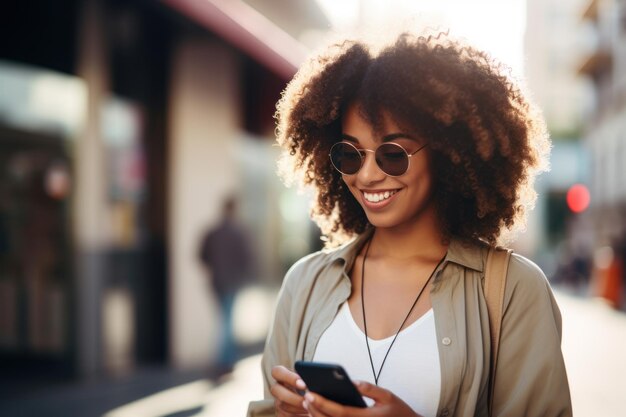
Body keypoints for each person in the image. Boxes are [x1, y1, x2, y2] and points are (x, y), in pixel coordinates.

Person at [248, 31, 572, 417]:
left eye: (392, 154)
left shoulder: (513, 290)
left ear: (448, 153)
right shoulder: (305, 283)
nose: (367, 175)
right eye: (350, 155)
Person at [199, 196, 255, 371]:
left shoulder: (213, 232)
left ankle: (226, 358)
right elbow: (246, 259)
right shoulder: (239, 233)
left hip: (217, 282)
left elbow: (202, 255)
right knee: (227, 321)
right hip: (231, 282)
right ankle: (224, 360)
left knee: (224, 320)